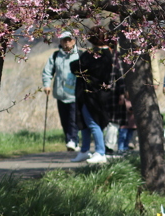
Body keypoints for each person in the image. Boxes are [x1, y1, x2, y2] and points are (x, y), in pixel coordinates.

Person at [69, 27, 113, 164]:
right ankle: (84, 150)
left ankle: (100, 151)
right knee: (85, 124)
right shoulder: (103, 54)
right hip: (92, 94)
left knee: (92, 123)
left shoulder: (98, 55)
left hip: (92, 95)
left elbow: (77, 67)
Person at [41, 31, 81, 151]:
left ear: (74, 41)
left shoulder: (80, 55)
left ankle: (72, 141)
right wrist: (47, 85)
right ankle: (70, 140)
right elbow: (47, 72)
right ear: (60, 41)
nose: (67, 43)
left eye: (69, 40)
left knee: (73, 119)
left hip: (74, 94)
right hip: (60, 94)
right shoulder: (55, 56)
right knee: (64, 120)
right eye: (64, 40)